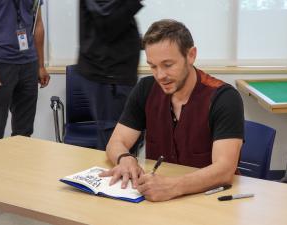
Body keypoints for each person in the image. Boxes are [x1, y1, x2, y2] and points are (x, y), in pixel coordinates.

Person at [100, 19, 245, 202]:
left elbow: (224, 169)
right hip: (159, 199)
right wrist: (125, 158)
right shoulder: (146, 89)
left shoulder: (224, 98)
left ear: (191, 55)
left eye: (168, 65)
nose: (160, 75)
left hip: (211, 198)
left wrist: (174, 187)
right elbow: (116, 141)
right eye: (153, 66)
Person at [78, 0, 143, 150]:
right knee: (115, 142)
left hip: (117, 75)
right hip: (108, 76)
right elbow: (107, 22)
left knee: (129, 139)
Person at [0, 0, 50, 140]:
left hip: (29, 63)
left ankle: (21, 162)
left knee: (24, 131)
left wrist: (41, 65)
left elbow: (37, 23)